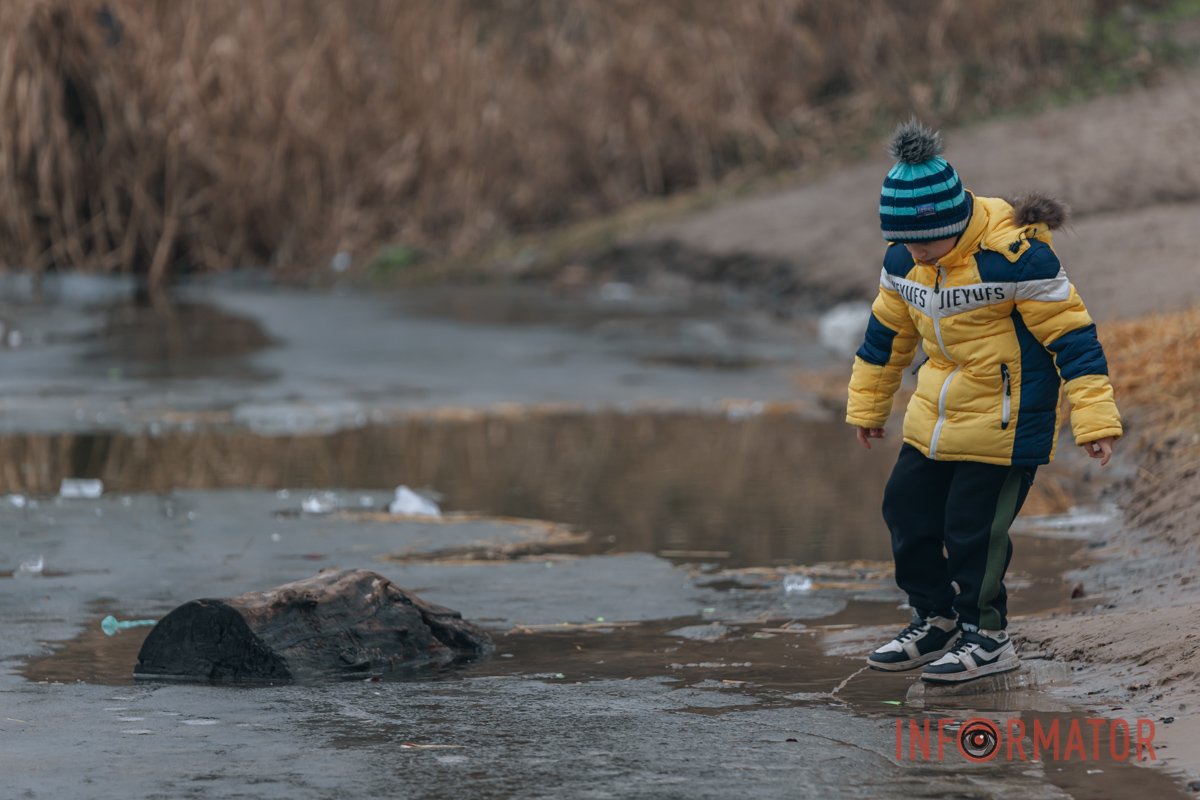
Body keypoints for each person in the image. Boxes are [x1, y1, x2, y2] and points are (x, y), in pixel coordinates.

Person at [847, 119, 1121, 684]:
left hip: (1007, 424)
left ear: (957, 222)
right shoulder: (906, 262)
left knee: (973, 530)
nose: (918, 253)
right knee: (906, 511)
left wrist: (1094, 418)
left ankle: (988, 637)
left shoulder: (1015, 256)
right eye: (905, 241)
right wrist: (868, 408)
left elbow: (1073, 338)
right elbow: (885, 336)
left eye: (927, 240)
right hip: (936, 418)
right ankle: (936, 621)